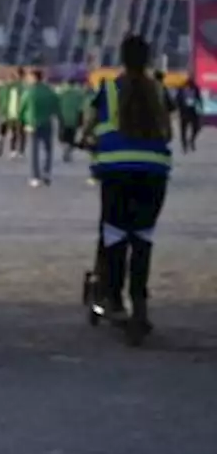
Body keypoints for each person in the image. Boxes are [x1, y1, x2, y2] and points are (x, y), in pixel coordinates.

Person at [82, 35, 171, 345]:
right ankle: (140, 303)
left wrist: (88, 141)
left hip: (117, 172)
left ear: (121, 57)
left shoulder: (107, 88)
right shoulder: (158, 89)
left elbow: (90, 125)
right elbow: (168, 131)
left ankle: (114, 300)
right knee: (142, 238)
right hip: (154, 173)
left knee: (115, 237)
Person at [19, 67, 60, 187]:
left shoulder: (29, 92)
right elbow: (56, 106)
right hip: (47, 122)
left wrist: (22, 121)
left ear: (34, 78)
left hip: (32, 123)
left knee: (34, 151)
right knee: (48, 149)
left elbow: (22, 108)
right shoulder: (49, 91)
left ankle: (35, 176)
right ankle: (46, 172)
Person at [57, 77, 88, 162]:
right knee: (72, 137)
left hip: (63, 118)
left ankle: (65, 149)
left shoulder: (61, 92)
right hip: (74, 118)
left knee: (62, 137)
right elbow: (82, 107)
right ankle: (68, 150)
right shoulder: (78, 94)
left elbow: (57, 105)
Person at [176, 76, 201, 152]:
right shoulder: (181, 89)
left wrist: (200, 108)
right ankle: (184, 145)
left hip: (193, 111)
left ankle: (191, 140)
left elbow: (198, 98)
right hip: (184, 112)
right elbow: (178, 99)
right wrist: (180, 108)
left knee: (196, 128)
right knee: (183, 130)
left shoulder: (195, 88)